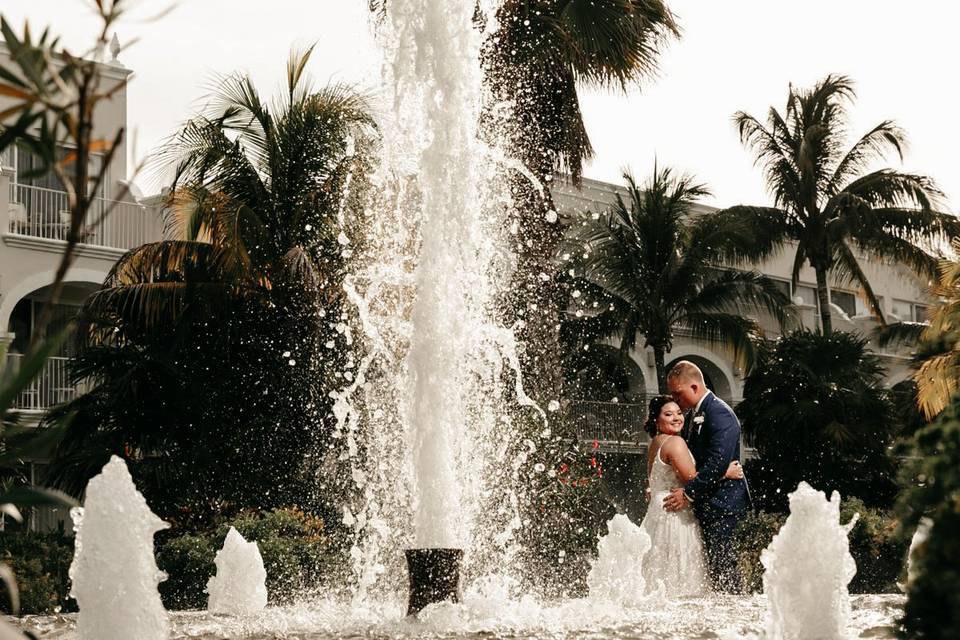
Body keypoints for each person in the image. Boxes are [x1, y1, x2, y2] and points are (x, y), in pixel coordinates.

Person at [639, 394, 744, 596]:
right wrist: (726, 473)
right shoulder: (675, 443)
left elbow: (653, 479)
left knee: (659, 567)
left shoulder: (656, 442)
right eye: (668, 414)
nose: (677, 418)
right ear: (656, 420)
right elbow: (692, 479)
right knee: (679, 568)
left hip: (658, 511)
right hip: (674, 513)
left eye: (679, 413)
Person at [663, 360, 751, 593]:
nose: (675, 398)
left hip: (723, 505)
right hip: (708, 502)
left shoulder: (719, 412)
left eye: (677, 393)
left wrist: (689, 494)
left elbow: (717, 461)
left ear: (693, 387)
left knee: (724, 566)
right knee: (714, 567)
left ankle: (732, 613)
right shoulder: (697, 413)